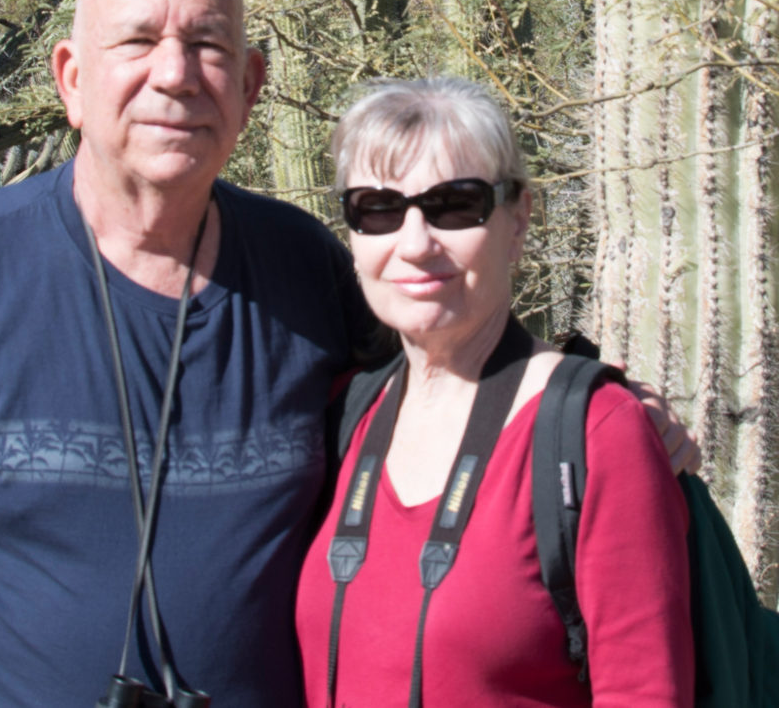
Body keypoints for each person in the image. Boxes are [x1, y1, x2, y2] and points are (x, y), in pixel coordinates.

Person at [0, 0, 695, 708]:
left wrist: (597, 410)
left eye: (209, 44)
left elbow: (451, 356)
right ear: (69, 78)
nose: (175, 74)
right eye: (137, 41)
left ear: (251, 85)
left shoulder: (307, 271)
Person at [295, 77, 695, 707]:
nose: (415, 242)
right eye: (378, 207)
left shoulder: (596, 432)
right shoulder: (346, 414)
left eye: (456, 204)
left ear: (518, 218)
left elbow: (645, 692)